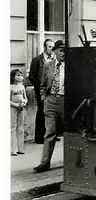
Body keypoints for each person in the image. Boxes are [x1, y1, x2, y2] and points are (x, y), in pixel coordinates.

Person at [33, 40, 65, 173]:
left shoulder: (72, 66)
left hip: (65, 101)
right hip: (51, 100)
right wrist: (44, 99)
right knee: (49, 133)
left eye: (65, 50)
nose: (64, 53)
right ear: (55, 51)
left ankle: (71, 163)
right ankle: (44, 163)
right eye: (61, 50)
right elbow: (42, 84)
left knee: (70, 133)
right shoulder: (48, 65)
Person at [29, 39, 54, 144]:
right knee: (41, 111)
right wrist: (39, 86)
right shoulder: (37, 60)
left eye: (53, 47)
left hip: (51, 89)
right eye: (49, 47)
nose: (51, 49)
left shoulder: (53, 60)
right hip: (41, 90)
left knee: (51, 112)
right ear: (44, 47)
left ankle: (51, 135)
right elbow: (31, 76)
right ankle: (39, 137)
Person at [10, 69, 27, 156]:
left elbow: (25, 97)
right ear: (13, 76)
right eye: (18, 75)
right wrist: (16, 105)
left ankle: (21, 148)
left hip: (21, 108)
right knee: (12, 127)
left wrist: (24, 103)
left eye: (20, 75)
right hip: (13, 108)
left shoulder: (22, 87)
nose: (20, 77)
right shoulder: (10, 87)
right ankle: (13, 149)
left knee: (20, 128)